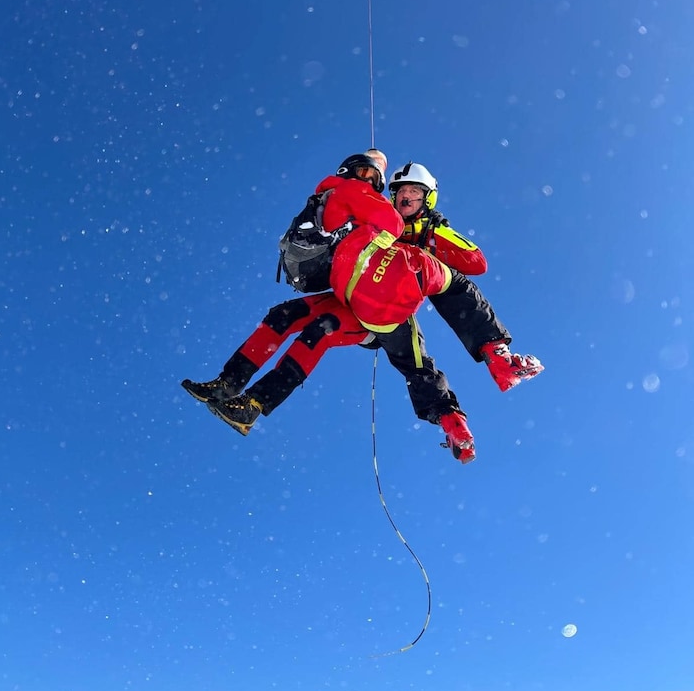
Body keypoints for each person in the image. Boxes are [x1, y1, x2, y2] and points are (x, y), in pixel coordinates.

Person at [182, 152, 475, 462]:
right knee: (283, 315)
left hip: (379, 314)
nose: (367, 182)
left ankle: (253, 404)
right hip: (348, 295)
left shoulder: (401, 222)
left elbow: (469, 264)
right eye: (363, 174)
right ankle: (227, 384)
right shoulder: (350, 206)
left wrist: (428, 235)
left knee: (322, 332)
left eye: (373, 180)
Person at [387, 161, 544, 391]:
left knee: (451, 283)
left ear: (427, 199)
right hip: (374, 287)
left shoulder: (432, 230)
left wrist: (434, 245)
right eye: (401, 191)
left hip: (401, 297)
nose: (406, 196)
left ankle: (498, 361)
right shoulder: (384, 223)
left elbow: (477, 262)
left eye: (413, 191)